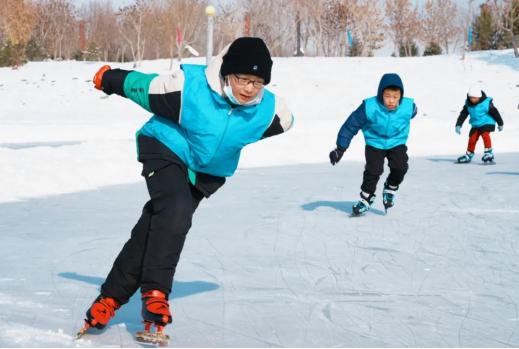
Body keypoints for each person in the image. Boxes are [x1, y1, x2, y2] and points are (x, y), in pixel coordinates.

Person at [77, 37, 294, 340]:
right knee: (176, 210)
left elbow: (284, 121)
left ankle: (109, 299)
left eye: (257, 82)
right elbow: (144, 87)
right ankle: (155, 292)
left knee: (154, 227)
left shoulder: (269, 112)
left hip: (204, 173)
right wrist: (110, 78)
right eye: (243, 79)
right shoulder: (189, 88)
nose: (249, 88)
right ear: (226, 72)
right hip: (165, 149)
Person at [329, 73, 417, 216]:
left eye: (395, 97)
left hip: (397, 141)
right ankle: (366, 198)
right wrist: (340, 148)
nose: (391, 101)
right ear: (380, 94)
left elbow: (413, 112)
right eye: (387, 96)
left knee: (400, 167)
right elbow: (350, 126)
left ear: (401, 96)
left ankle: (391, 187)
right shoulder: (369, 107)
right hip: (374, 142)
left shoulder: (409, 107)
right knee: (373, 170)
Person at [455, 85, 503, 164]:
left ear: (479, 97)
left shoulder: (486, 103)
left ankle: (489, 153)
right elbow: (463, 114)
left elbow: (495, 113)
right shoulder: (468, 104)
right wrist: (458, 124)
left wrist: (500, 123)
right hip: (476, 124)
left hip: (487, 122)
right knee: (472, 138)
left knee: (485, 135)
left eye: (474, 98)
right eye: (471, 97)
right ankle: (469, 154)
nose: (472, 99)